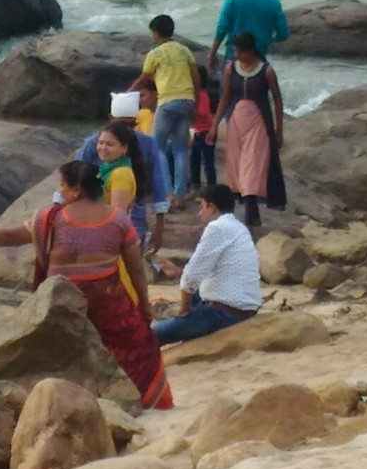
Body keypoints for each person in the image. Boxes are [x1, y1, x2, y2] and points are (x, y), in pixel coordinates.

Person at [0, 161, 173, 410]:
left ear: (77, 189)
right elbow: (136, 270)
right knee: (142, 347)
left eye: (63, 186)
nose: (60, 191)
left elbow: (8, 237)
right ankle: (145, 403)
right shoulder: (118, 220)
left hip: (61, 305)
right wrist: (144, 305)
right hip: (109, 306)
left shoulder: (50, 219)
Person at [153, 184, 262, 345]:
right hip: (246, 307)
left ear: (212, 208)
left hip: (225, 314)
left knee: (154, 334)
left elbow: (191, 278)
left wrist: (183, 311)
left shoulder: (217, 228)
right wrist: (179, 272)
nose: (199, 213)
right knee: (196, 293)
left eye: (202, 207)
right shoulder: (239, 227)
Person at [76, 91, 170, 254]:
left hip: (120, 230)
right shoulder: (95, 144)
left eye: (129, 125)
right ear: (110, 119)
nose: (125, 130)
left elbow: (158, 185)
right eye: (120, 125)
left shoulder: (124, 169)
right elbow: (74, 175)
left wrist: (159, 227)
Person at [209, 33, 286, 227]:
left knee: (252, 166)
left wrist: (278, 129)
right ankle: (249, 210)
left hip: (258, 122)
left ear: (251, 50)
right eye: (236, 52)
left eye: (241, 52)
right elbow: (225, 97)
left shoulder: (266, 71)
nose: (238, 56)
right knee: (236, 166)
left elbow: (277, 99)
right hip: (236, 121)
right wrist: (214, 125)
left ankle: (251, 213)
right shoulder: (230, 68)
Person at [130, 14, 200, 207]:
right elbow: (196, 78)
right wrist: (196, 102)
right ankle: (180, 195)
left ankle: (167, 192)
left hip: (167, 101)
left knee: (157, 147)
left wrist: (129, 92)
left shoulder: (155, 54)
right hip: (187, 100)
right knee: (180, 148)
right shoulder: (184, 50)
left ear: (156, 33)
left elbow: (144, 78)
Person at [96, 121, 149, 303]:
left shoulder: (120, 174)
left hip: (111, 242)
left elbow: (116, 215)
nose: (103, 148)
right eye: (100, 142)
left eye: (109, 144)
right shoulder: (108, 170)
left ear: (124, 148)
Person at [207, 0, 289, 80]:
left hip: (234, 55)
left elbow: (222, 28)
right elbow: (283, 33)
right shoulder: (273, 2)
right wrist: (267, 40)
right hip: (259, 57)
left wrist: (212, 54)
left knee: (228, 89)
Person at [189, 65, 217, 195]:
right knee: (194, 160)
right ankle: (195, 187)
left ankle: (211, 189)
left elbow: (203, 111)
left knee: (207, 162)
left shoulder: (202, 95)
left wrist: (191, 110)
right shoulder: (194, 95)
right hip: (196, 132)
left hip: (205, 132)